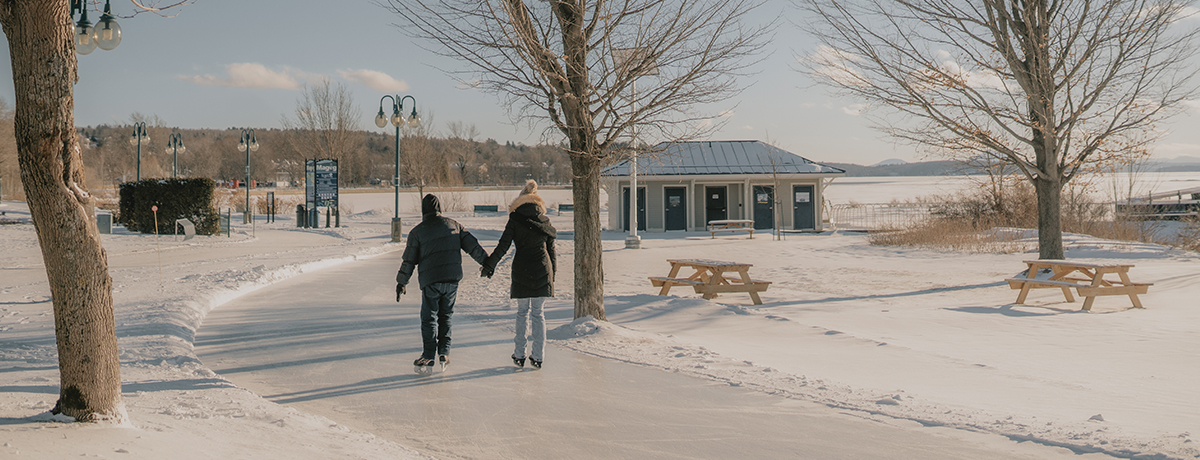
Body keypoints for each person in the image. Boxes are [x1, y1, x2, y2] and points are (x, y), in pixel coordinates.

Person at [397, 193, 490, 370]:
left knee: (429, 318)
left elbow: (409, 260)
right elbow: (473, 247)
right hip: (451, 279)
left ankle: (428, 355)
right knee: (446, 316)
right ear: (439, 209)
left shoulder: (417, 232)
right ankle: (444, 353)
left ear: (424, 211)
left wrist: (402, 282)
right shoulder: (454, 225)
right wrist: (487, 263)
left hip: (431, 281)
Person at [484, 180, 557, 369]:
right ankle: (538, 356)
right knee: (538, 314)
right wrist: (552, 277)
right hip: (543, 269)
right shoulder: (544, 220)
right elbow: (551, 251)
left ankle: (519, 354)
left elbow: (503, 246)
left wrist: (489, 265)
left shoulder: (514, 220)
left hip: (522, 269)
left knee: (522, 313)